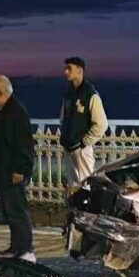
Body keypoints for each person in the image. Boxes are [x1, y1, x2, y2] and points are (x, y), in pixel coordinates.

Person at [0, 75, 36, 263]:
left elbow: (23, 144)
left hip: (13, 171)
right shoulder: (2, 110)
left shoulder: (15, 112)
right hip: (3, 169)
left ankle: (25, 249)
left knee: (17, 209)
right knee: (10, 209)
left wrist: (19, 169)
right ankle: (16, 247)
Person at [60, 56, 108, 189]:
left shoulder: (91, 94)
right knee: (73, 187)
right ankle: (76, 210)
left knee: (85, 187)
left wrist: (85, 142)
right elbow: (63, 118)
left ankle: (86, 211)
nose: (65, 72)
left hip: (81, 149)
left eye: (69, 68)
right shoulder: (68, 93)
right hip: (70, 148)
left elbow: (101, 124)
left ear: (80, 71)